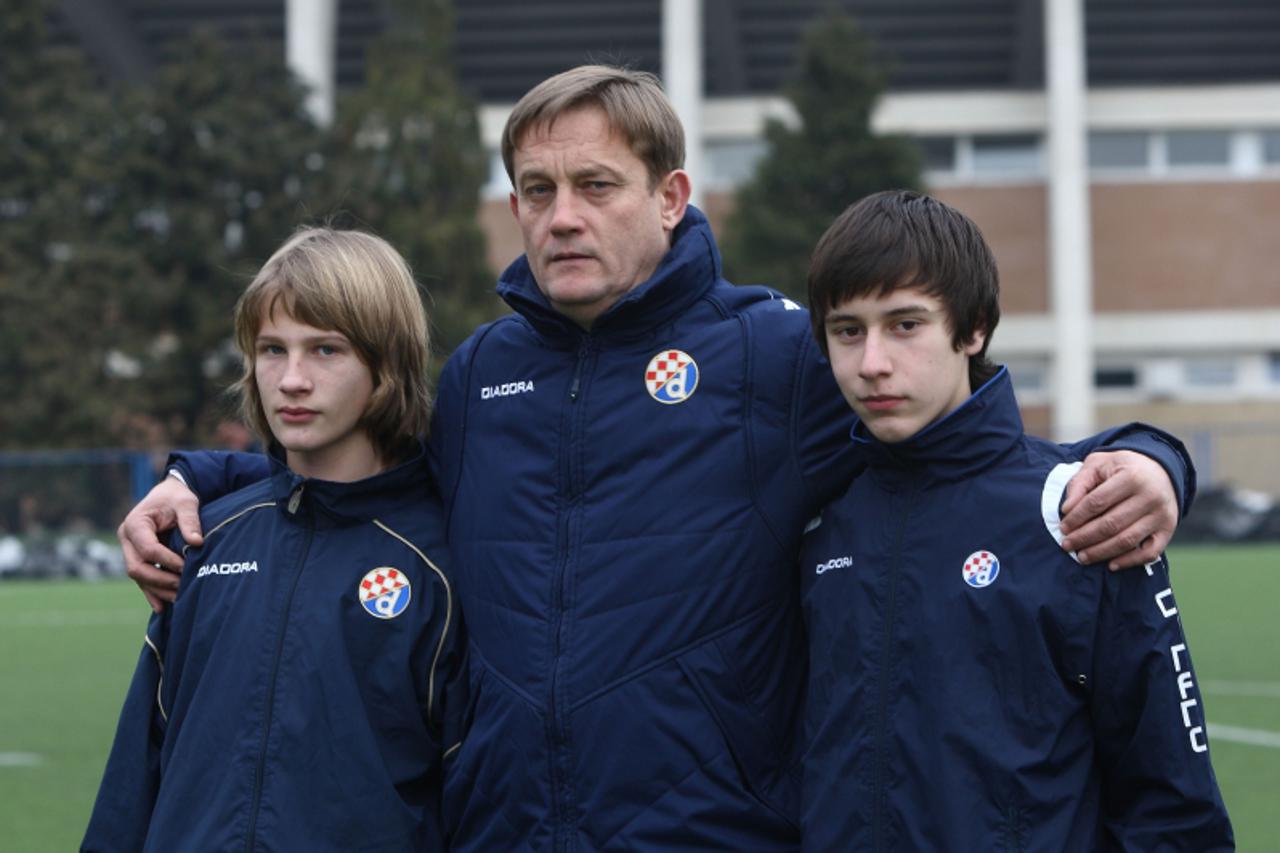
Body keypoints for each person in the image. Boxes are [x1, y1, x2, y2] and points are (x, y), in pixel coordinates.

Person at [119, 67, 1194, 849]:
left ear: (670, 199)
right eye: (537, 192)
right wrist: (198, 480)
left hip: (703, 828)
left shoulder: (769, 353)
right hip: (506, 829)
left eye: (596, 186)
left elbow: (951, 434)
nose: (562, 216)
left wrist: (1150, 458)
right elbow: (363, 469)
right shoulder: (482, 373)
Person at [800, 190, 1232, 850]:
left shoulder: (1081, 510)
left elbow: (1172, 807)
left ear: (973, 328)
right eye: (848, 330)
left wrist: (1160, 455)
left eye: (906, 324)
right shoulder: (817, 522)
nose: (872, 363)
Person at [84, 229, 463, 851]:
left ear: (386, 364)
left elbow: (475, 792)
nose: (291, 379)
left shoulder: (441, 565)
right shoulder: (208, 541)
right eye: (271, 350)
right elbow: (137, 770)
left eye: (325, 350)